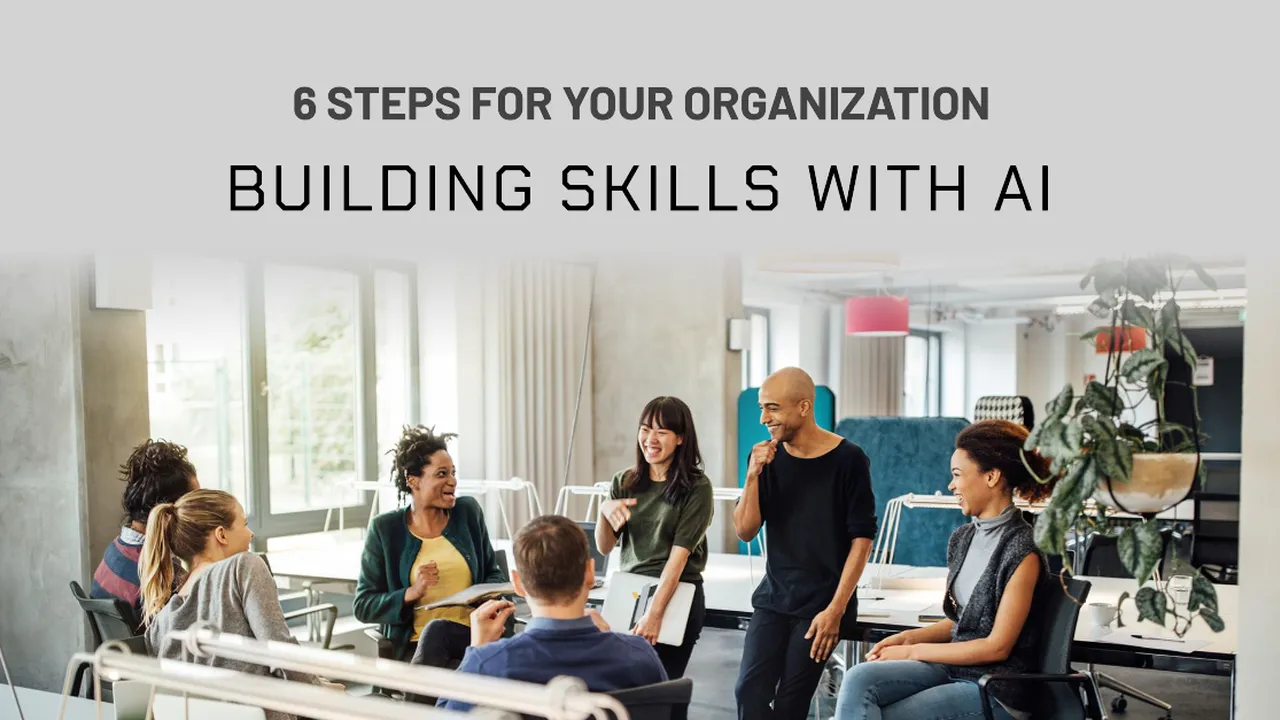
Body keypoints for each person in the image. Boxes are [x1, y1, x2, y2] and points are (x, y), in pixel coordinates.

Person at [833, 419, 1058, 720]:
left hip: (998, 689)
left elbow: (997, 647)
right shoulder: (962, 539)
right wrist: (910, 638)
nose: (951, 485)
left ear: (991, 476)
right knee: (858, 677)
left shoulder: (1022, 550)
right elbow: (963, 622)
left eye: (957, 475)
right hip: (957, 668)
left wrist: (914, 652)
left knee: (888, 715)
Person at [733, 367, 878, 720]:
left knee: (789, 706)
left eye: (772, 408)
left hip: (823, 604)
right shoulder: (769, 458)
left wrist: (836, 609)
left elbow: (862, 540)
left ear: (803, 407)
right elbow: (745, 530)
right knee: (748, 693)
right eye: (762, 408)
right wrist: (752, 476)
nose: (763, 418)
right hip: (775, 597)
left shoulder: (849, 459)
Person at [440, 515, 668, 713]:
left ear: (518, 583)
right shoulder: (640, 657)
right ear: (589, 573)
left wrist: (477, 650)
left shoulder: (485, 665)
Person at [141, 489, 329, 720]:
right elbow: (279, 650)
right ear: (221, 534)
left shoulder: (161, 620)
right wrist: (324, 696)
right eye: (244, 523)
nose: (250, 533)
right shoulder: (243, 567)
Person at [353, 425, 507, 672]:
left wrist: (480, 594)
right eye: (442, 474)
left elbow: (495, 575)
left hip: (470, 637)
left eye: (453, 473)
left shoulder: (467, 513)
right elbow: (363, 605)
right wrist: (411, 593)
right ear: (413, 480)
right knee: (455, 669)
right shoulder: (385, 529)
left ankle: (412, 707)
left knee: (447, 651)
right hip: (416, 648)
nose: (453, 481)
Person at [595, 396, 714, 679]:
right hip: (629, 591)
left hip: (676, 594)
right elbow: (604, 547)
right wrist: (604, 509)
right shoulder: (623, 481)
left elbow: (678, 559)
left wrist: (654, 614)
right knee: (628, 692)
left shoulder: (697, 487)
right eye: (645, 429)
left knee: (662, 692)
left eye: (662, 432)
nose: (651, 439)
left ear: (681, 438)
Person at [91, 439, 199, 626]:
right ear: (167, 513)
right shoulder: (160, 576)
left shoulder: (115, 551)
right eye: (193, 503)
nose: (198, 511)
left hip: (119, 654)